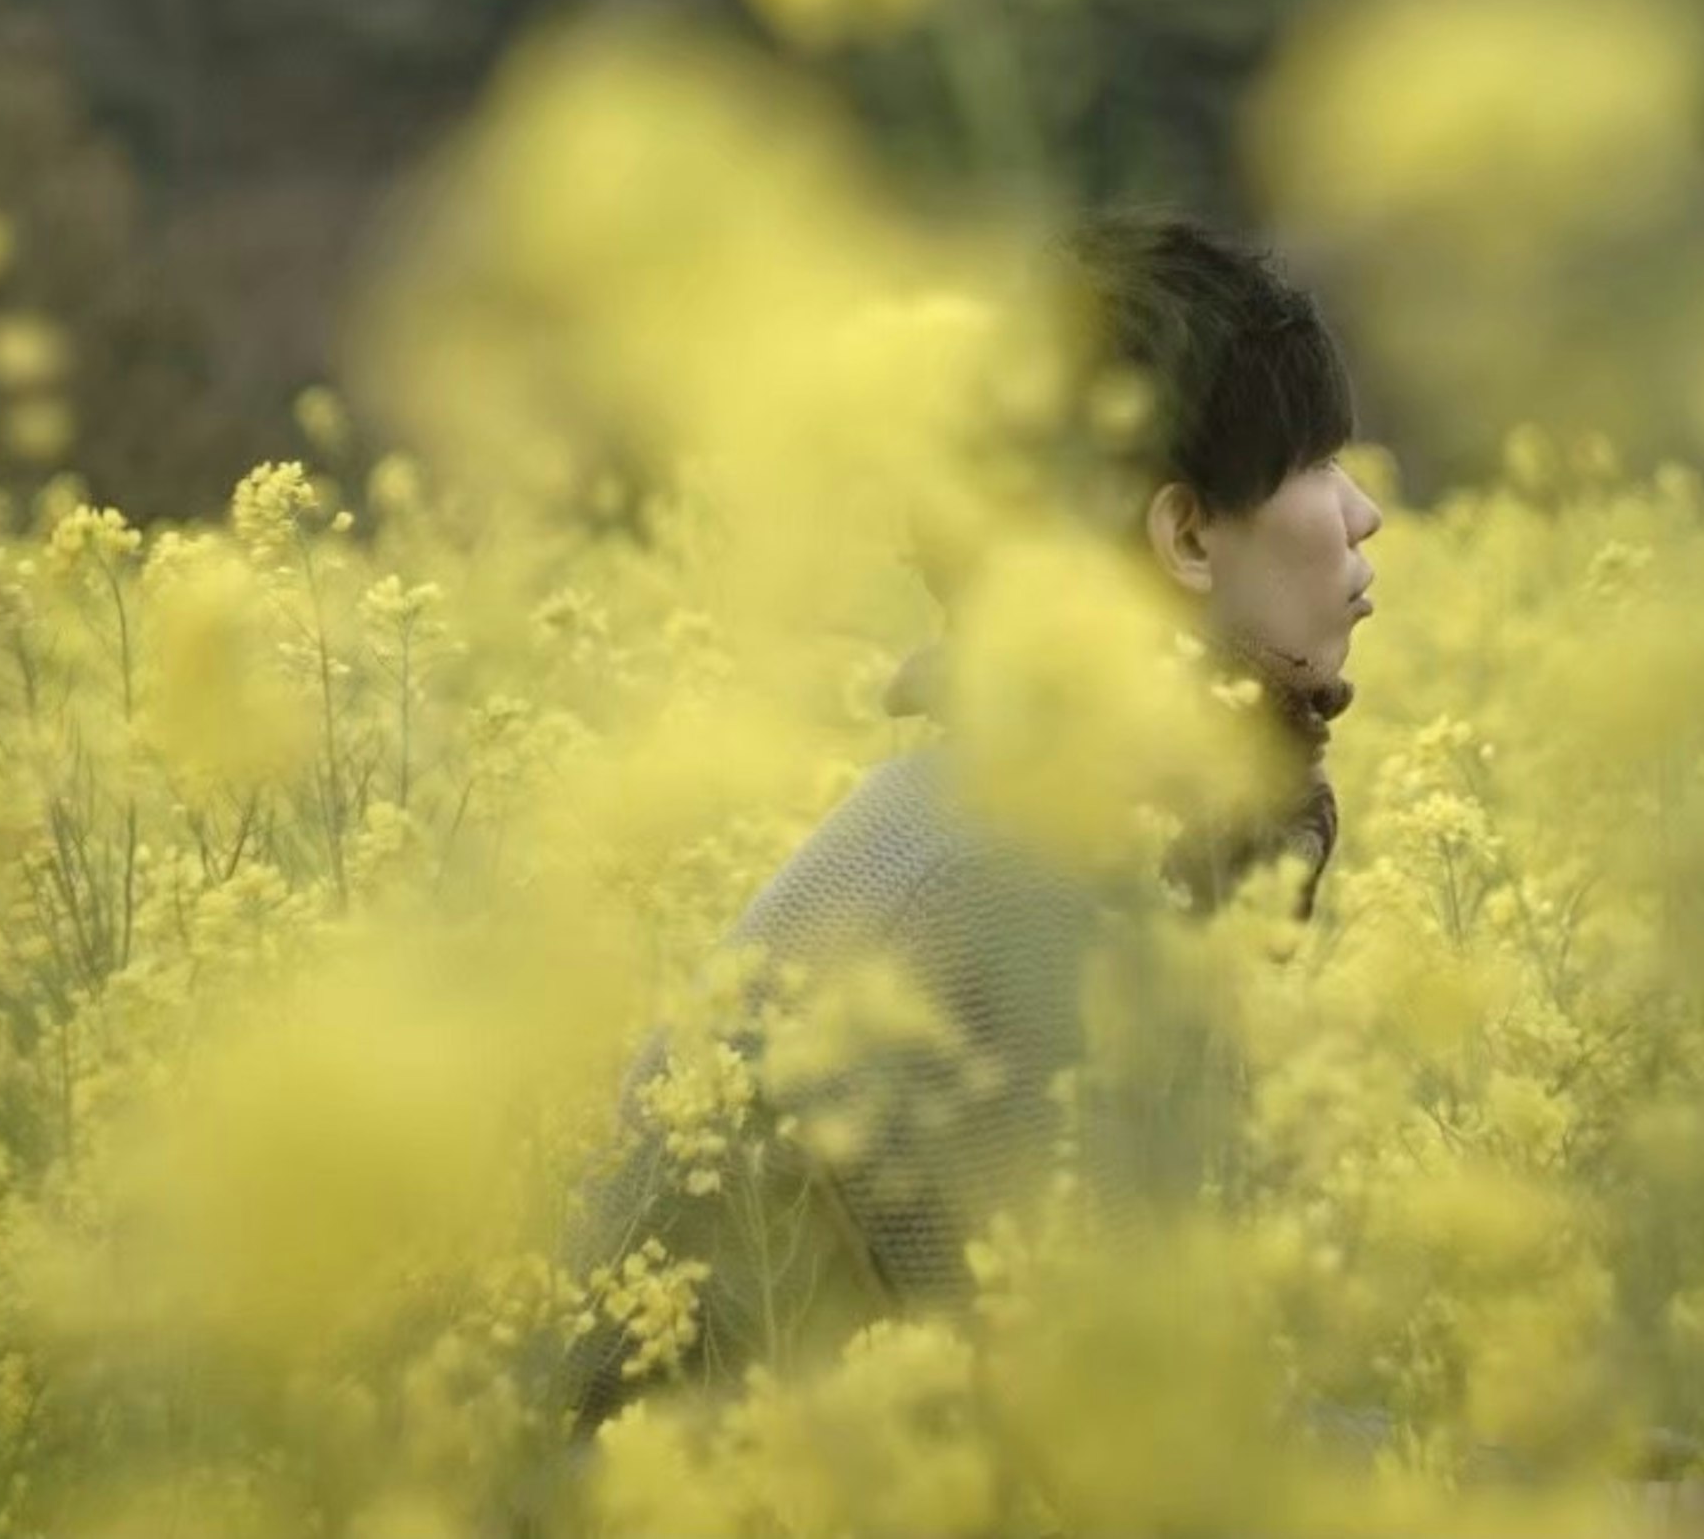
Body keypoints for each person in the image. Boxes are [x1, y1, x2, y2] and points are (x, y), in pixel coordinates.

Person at [539, 211, 1385, 1443]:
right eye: (1317, 463)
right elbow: (1139, 1465)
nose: (1364, 513)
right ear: (1188, 533)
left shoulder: (1064, 831)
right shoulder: (1001, 886)